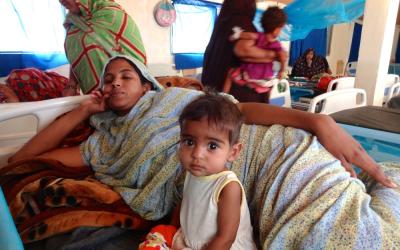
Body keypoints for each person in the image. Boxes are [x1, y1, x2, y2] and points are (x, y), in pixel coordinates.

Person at [8, 55, 399, 248]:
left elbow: (239, 111)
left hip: (272, 149)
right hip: (239, 182)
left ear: (147, 85)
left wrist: (318, 122)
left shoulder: (178, 97)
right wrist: (82, 110)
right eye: (107, 80)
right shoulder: (103, 143)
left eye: (126, 75)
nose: (115, 83)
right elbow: (22, 161)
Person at [171, 93, 257, 249]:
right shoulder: (193, 172)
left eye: (212, 146)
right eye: (189, 142)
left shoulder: (228, 187)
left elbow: (226, 238)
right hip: (191, 241)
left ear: (233, 152)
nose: (197, 154)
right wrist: (170, 229)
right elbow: (186, 203)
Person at [202, 0, 285, 103]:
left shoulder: (221, 25)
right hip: (240, 97)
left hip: (212, 90)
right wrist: (273, 55)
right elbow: (243, 50)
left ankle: (222, 98)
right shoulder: (241, 22)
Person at [60, 0, 147, 95]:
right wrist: (71, 85)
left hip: (127, 96)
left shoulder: (112, 15)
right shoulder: (73, 22)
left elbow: (134, 60)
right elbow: (78, 55)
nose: (60, 1)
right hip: (95, 98)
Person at [223, 6, 287, 100]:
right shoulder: (275, 44)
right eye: (281, 28)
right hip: (265, 78)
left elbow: (248, 35)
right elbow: (283, 56)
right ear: (277, 29)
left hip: (249, 75)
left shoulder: (259, 36)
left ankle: (223, 96)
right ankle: (268, 102)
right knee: (270, 87)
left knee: (230, 73)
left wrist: (236, 35)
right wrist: (282, 71)